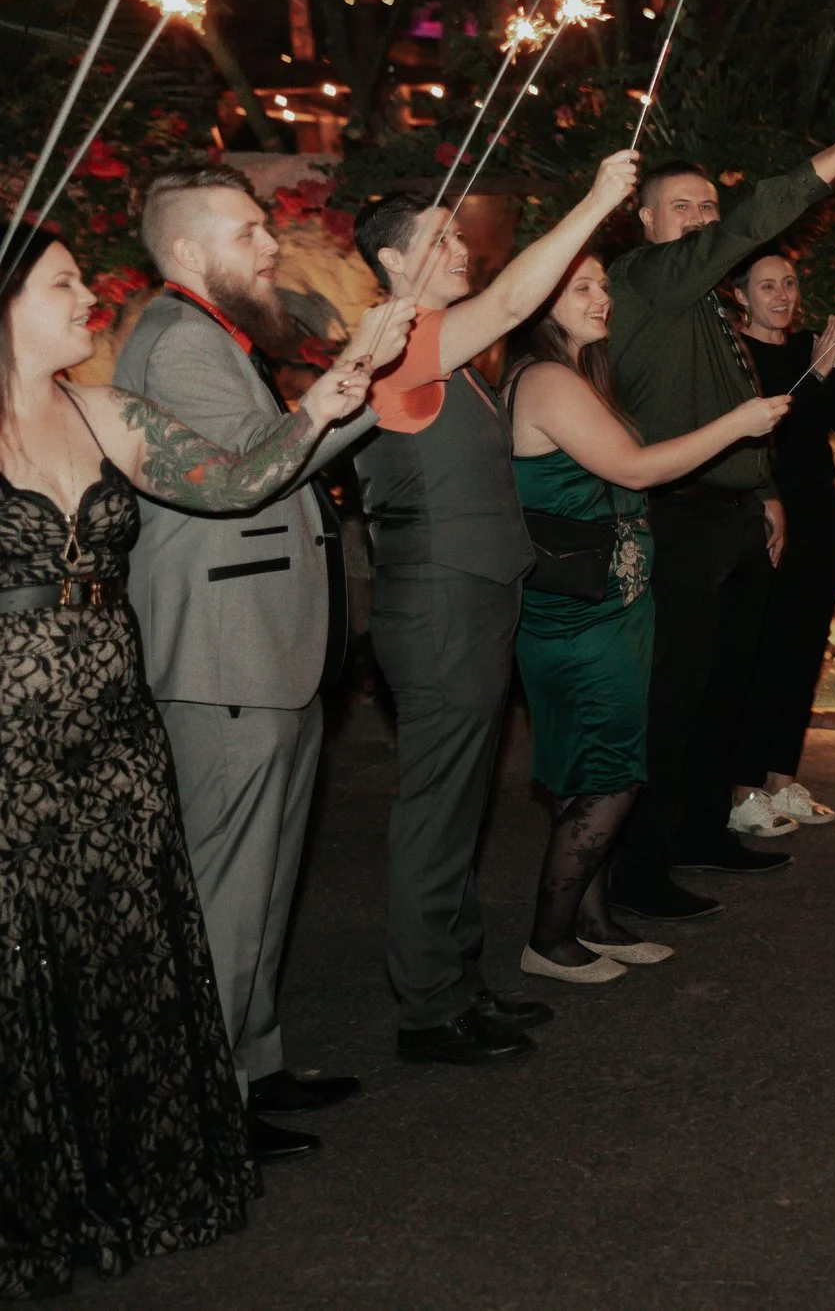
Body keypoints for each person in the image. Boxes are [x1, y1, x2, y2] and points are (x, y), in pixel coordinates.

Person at [0, 220, 402, 1298]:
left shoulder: (105, 409)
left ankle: (130, 1169)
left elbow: (229, 483)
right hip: (11, 734)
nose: (89, 296)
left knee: (121, 937)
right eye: (62, 283)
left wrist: (319, 407)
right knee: (25, 957)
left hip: (113, 719)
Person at [115, 167, 395, 1167]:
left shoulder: (212, 330)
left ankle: (254, 1059)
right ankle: (210, 1094)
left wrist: (365, 392)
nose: (271, 244)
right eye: (247, 231)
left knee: (267, 877)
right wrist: (354, 385)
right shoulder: (179, 337)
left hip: (265, 645)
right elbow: (253, 468)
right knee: (227, 887)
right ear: (187, 251)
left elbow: (290, 448)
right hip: (224, 651)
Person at [354, 146, 649, 1066]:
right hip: (440, 609)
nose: (460, 250)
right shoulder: (398, 338)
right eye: (438, 239)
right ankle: (430, 1011)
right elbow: (519, 300)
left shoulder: (450, 353)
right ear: (393, 262)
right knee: (437, 812)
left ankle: (459, 982)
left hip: (471, 605)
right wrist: (598, 197)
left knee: (462, 809)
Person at [600, 111, 835, 924]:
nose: (699, 218)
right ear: (647, 220)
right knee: (672, 697)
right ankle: (636, 868)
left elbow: (732, 406)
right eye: (682, 206)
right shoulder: (652, 277)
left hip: (726, 512)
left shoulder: (700, 305)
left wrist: (761, 489)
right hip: (674, 513)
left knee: (720, 687)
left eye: (705, 207)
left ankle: (698, 829)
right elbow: (759, 217)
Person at [502, 254, 791, 984]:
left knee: (593, 767)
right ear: (539, 300)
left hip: (609, 602)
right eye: (583, 288)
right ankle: (550, 935)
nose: (604, 298)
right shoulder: (547, 379)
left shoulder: (575, 373)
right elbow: (635, 469)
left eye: (603, 284)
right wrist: (740, 423)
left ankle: (592, 921)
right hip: (580, 611)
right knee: (611, 775)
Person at [725, 250, 835, 837]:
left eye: (788, 283)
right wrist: (818, 374)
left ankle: (783, 777)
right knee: (761, 649)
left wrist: (833, 369)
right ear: (741, 296)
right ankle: (741, 788)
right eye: (766, 286)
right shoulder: (734, 353)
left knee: (804, 648)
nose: (781, 296)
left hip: (820, 512)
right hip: (764, 509)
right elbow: (770, 429)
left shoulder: (814, 346)